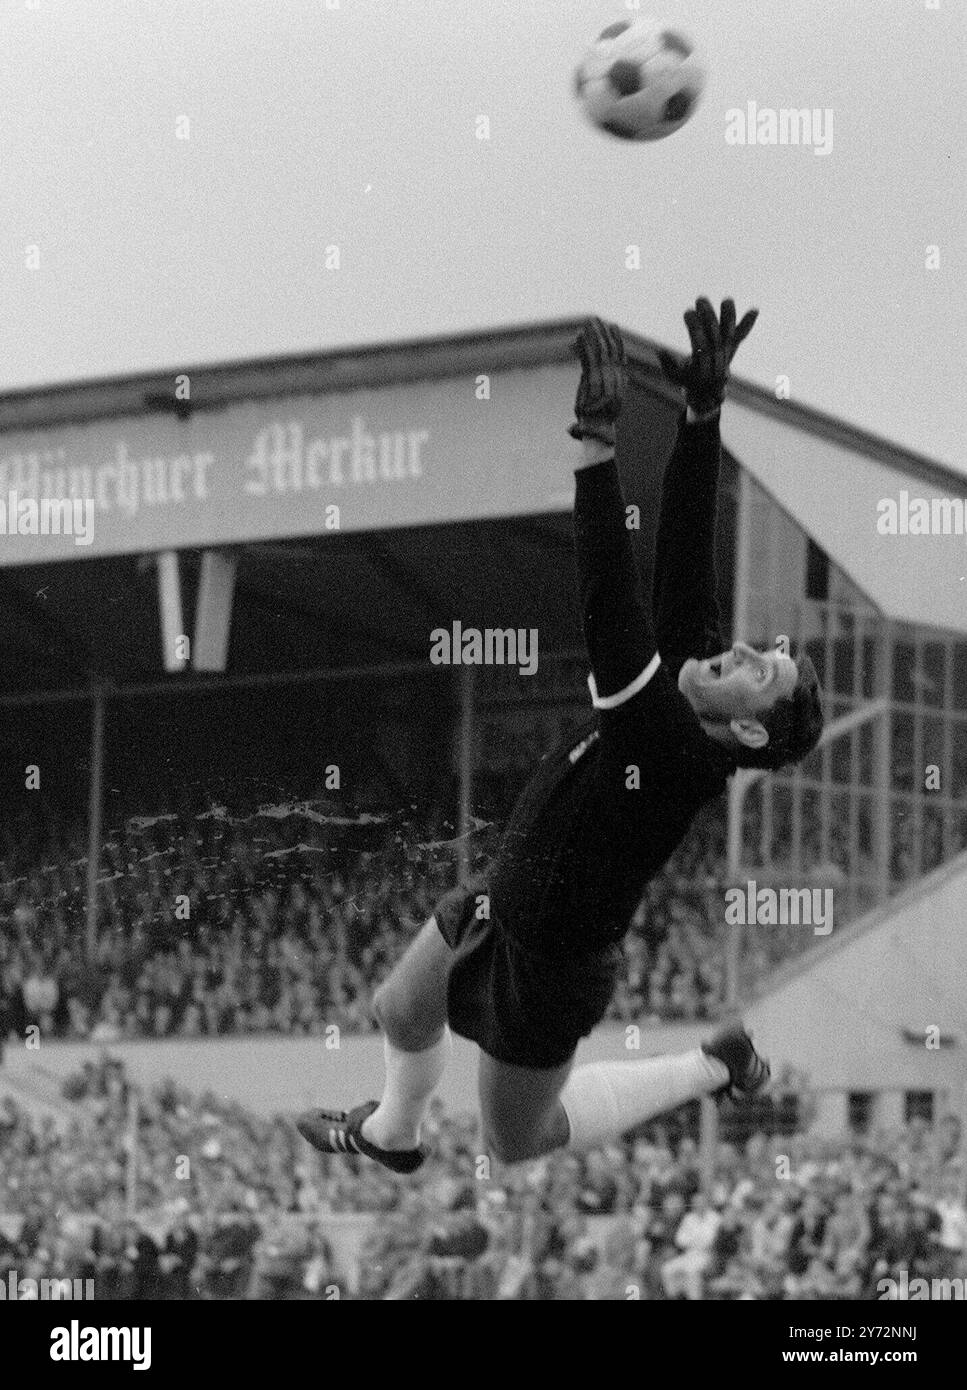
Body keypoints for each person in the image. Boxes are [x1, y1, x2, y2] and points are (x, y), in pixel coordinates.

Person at [297, 299, 823, 1172]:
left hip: (551, 967)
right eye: (759, 651)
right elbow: (684, 563)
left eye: (756, 672)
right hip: (509, 894)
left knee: (514, 1141)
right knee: (399, 1009)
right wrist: (700, 416)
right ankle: (392, 1135)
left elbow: (609, 597)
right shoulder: (701, 699)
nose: (737, 649)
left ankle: (709, 1064)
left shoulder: (669, 742)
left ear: (742, 727)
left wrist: (596, 441)